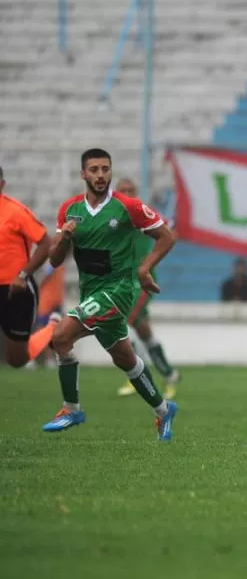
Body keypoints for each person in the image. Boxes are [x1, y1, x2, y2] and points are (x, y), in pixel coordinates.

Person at [41, 148, 179, 441]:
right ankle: (164, 409)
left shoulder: (128, 207)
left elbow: (167, 236)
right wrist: (64, 237)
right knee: (125, 359)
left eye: (105, 169)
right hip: (91, 292)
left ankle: (71, 408)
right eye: (94, 170)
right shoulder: (69, 209)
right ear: (83, 174)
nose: (101, 175)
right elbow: (54, 261)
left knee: (61, 336)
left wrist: (144, 270)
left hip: (118, 291)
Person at [113, 178, 181, 400]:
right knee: (143, 330)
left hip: (142, 281)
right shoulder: (112, 217)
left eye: (131, 191)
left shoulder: (143, 213)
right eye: (123, 191)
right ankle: (170, 375)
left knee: (122, 320)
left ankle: (137, 376)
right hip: (122, 280)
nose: (127, 194)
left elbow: (169, 229)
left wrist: (150, 261)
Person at [0, 167, 52, 367]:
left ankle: (51, 328)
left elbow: (46, 243)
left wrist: (23, 275)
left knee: (17, 360)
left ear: (2, 184)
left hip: (16, 288)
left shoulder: (15, 211)